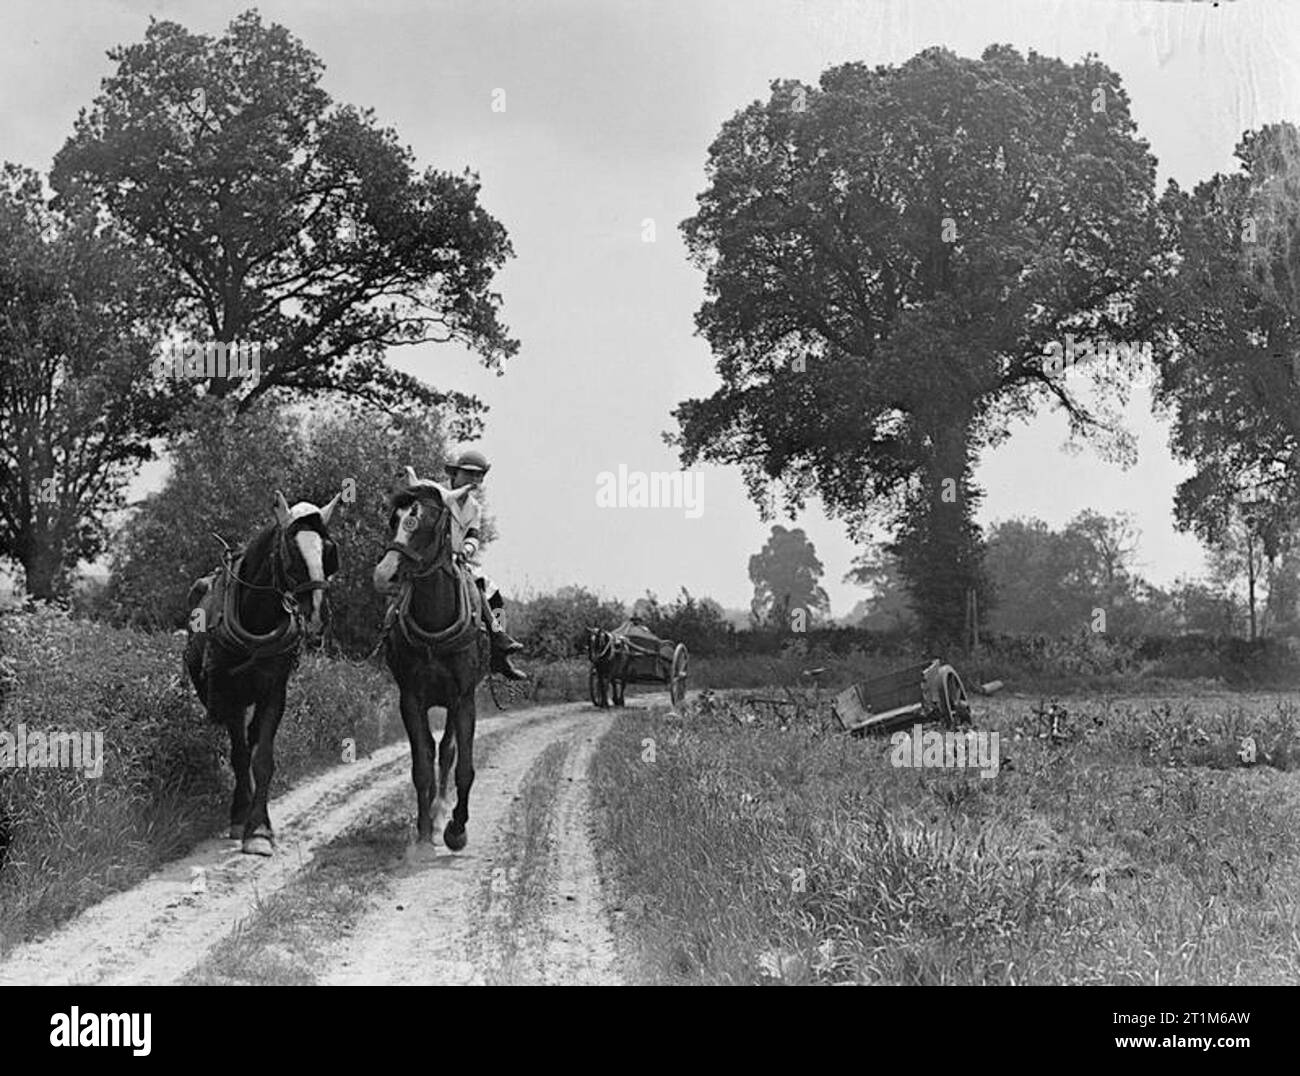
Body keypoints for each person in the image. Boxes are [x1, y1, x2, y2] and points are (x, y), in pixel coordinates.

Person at [442, 449, 528, 680]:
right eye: (468, 474)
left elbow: (473, 535)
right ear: (455, 473)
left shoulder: (474, 507)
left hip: (459, 559)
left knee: (493, 596)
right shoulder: (437, 493)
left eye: (478, 476)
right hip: (430, 555)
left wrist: (466, 550)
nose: (473, 480)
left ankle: (499, 649)